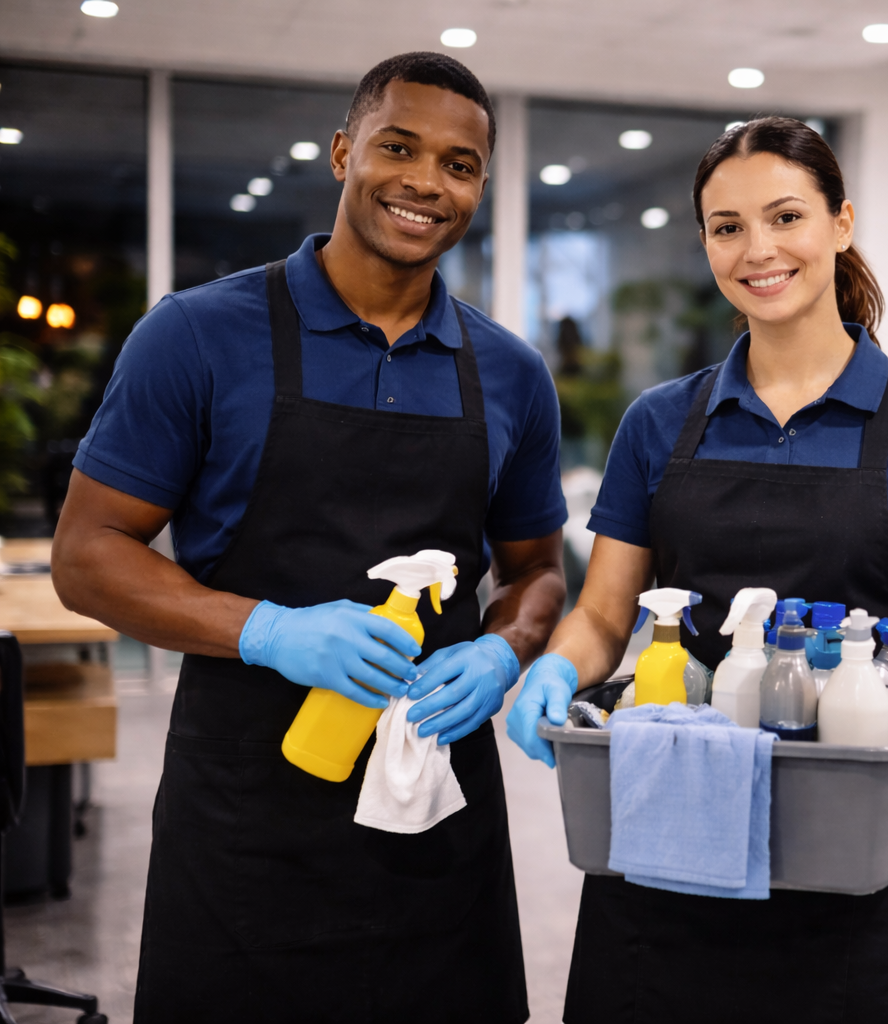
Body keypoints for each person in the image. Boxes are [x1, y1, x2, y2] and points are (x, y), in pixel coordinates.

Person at [50, 52, 567, 1022]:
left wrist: (504, 650)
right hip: (244, 823)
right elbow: (87, 554)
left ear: (481, 188)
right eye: (398, 147)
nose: (426, 181)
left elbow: (538, 571)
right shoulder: (198, 336)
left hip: (436, 815)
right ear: (342, 152)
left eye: (459, 164)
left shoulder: (510, 373)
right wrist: (268, 631)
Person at [505, 116, 888, 1023]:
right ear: (704, 241)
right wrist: (555, 665)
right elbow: (603, 614)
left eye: (786, 217)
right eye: (727, 226)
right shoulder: (660, 421)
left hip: (855, 819)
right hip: (674, 803)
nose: (758, 250)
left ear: (841, 223)